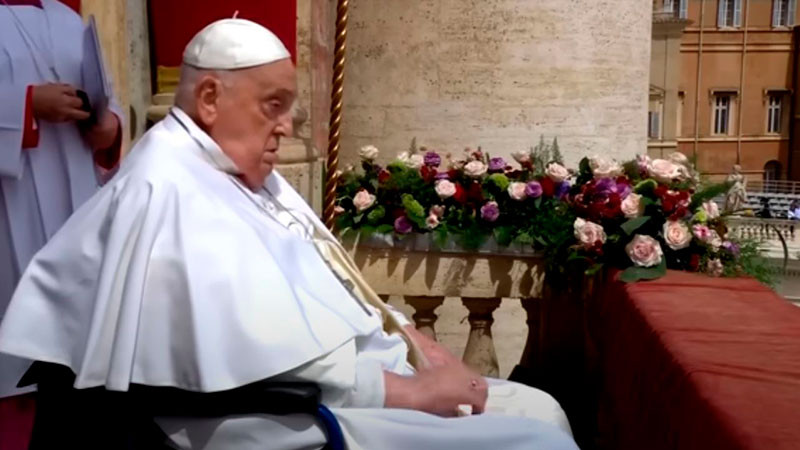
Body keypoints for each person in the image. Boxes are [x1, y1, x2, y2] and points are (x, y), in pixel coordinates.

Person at [0, 18, 576, 450]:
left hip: (345, 384)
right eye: (272, 106)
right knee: (536, 440)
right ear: (209, 99)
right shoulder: (168, 190)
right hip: (278, 418)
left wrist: (415, 342)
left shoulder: (234, 169)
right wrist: (413, 392)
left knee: (542, 409)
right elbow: (259, 362)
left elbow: (335, 288)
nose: (285, 128)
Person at [0, 0, 121, 442]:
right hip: (10, 208)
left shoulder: (67, 18)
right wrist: (27, 105)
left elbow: (108, 101)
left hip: (78, 207)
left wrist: (108, 129)